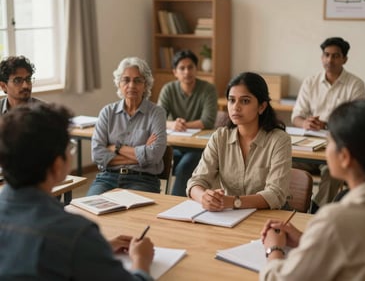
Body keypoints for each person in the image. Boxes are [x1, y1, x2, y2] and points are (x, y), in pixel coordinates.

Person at [0, 103, 154, 280]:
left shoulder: (76, 240)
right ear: (57, 166)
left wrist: (94, 250)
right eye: (69, 148)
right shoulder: (75, 234)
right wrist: (141, 259)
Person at [260, 100, 365, 280]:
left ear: (344, 157)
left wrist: (274, 249)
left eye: (328, 142)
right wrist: (310, 240)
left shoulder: (337, 218)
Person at [186, 72, 291, 211]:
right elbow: (196, 182)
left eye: (245, 101)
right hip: (229, 216)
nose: (236, 107)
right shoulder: (220, 137)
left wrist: (232, 202)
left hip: (268, 218)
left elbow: (275, 194)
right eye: (231, 100)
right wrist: (204, 197)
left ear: (262, 106)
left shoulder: (279, 140)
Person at [291, 37, 365, 213]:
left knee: (332, 172)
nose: (329, 60)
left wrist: (327, 124)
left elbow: (355, 123)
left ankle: (317, 212)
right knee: (284, 163)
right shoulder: (310, 82)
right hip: (308, 145)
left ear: (344, 59)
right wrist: (306, 122)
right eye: (326, 55)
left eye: (335, 56)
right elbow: (296, 116)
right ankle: (290, 209)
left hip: (336, 146)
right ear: (321, 57)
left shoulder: (355, 84)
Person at [87, 57, 167, 195]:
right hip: (107, 178)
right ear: (119, 83)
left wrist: (116, 148)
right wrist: (141, 155)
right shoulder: (107, 112)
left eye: (137, 80)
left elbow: (154, 155)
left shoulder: (156, 113)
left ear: (146, 85)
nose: (131, 85)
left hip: (142, 180)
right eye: (126, 80)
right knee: (86, 211)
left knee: (129, 215)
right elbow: (97, 154)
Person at [157, 50, 218, 196]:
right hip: (174, 144)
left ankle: (175, 203)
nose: (187, 72)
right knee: (155, 161)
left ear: (196, 69)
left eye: (190, 67)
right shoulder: (168, 89)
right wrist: (172, 125)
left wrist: (183, 125)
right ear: (175, 72)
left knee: (185, 166)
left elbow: (208, 121)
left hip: (198, 147)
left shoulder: (208, 89)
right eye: (182, 68)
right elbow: (158, 117)